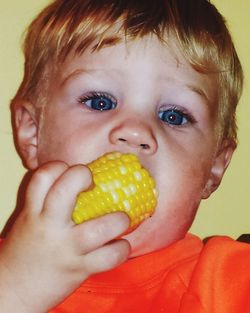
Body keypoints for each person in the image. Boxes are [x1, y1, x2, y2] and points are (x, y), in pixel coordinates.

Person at [0, 0, 249, 312]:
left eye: (174, 116)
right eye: (100, 102)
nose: (135, 132)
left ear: (214, 167)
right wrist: (15, 290)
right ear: (33, 132)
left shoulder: (231, 281)